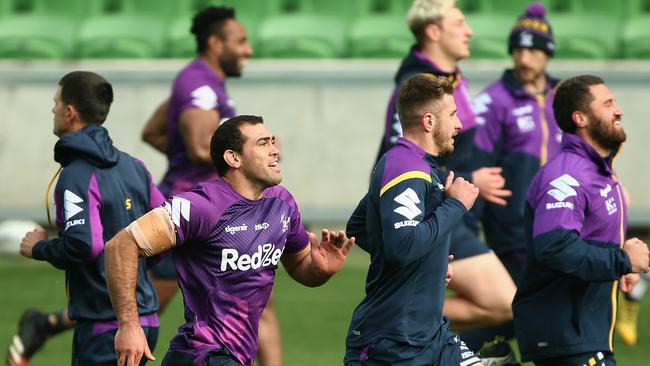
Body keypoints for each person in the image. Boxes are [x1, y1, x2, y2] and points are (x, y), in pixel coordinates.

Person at [104, 115, 355, 366]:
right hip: (203, 354)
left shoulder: (282, 203)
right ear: (233, 158)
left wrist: (320, 270)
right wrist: (129, 326)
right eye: (263, 143)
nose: (275, 150)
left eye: (273, 142)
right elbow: (120, 245)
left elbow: (301, 266)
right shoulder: (200, 206)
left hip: (235, 356)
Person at [377, 0, 516, 353]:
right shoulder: (418, 87)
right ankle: (394, 315)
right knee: (503, 301)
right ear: (433, 31)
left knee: (500, 303)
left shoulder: (451, 80)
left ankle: (422, 333)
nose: (469, 30)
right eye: (459, 22)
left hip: (455, 209)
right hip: (433, 211)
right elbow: (400, 161)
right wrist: (473, 180)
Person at [8, 71, 162, 366]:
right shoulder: (136, 167)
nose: (52, 110)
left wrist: (39, 248)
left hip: (106, 328)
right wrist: (136, 268)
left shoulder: (76, 174)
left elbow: (84, 245)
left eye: (56, 103)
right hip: (147, 324)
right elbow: (165, 233)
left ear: (70, 112)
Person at [344, 73, 482, 366]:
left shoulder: (413, 164)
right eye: (453, 115)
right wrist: (456, 205)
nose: (459, 124)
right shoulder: (406, 169)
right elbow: (403, 246)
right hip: (394, 341)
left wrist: (427, 264)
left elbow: (359, 226)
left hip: (429, 334)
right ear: (429, 122)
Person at [513, 74, 650, 365]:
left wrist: (620, 258)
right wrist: (621, 261)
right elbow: (554, 247)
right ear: (581, 118)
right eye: (608, 103)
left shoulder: (596, 169)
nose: (619, 110)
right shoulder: (568, 176)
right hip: (568, 340)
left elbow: (588, 234)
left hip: (582, 336)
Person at [465, 1, 561, 349]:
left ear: (547, 54)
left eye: (532, 51)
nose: (524, 58)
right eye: (518, 50)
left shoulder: (563, 98)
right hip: (513, 230)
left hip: (560, 228)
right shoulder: (494, 102)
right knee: (526, 310)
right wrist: (468, 231)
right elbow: (476, 168)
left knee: (529, 311)